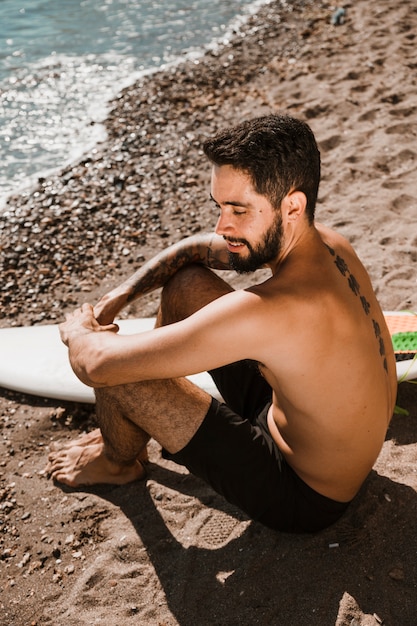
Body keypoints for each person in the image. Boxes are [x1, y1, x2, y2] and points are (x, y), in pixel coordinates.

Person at [46, 114, 397, 533]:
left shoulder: (273, 312)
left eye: (238, 209)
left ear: (292, 206)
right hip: (306, 427)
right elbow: (197, 252)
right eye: (219, 206)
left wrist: (79, 329)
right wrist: (123, 293)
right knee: (185, 284)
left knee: (122, 371)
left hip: (303, 494)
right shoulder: (327, 242)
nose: (222, 225)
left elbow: (96, 364)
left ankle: (117, 461)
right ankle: (127, 430)